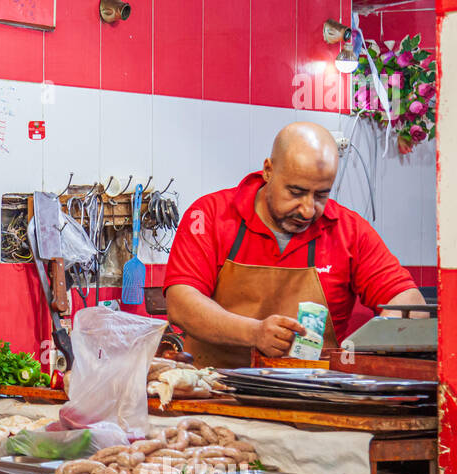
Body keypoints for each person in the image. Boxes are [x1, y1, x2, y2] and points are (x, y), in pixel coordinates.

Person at [164, 122, 427, 367]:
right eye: (296, 192)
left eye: (321, 195)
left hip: (315, 395)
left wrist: (378, 338)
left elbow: (408, 301)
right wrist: (254, 333)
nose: (308, 210)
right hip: (215, 391)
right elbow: (182, 303)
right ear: (268, 170)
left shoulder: (349, 230)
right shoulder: (210, 215)